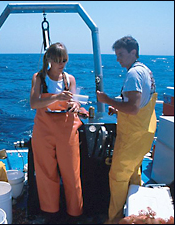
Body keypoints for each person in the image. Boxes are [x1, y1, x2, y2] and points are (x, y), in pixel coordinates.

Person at [96, 36, 157, 224]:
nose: (118, 59)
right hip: (145, 131)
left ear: (133, 52)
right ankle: (136, 214)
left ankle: (114, 219)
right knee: (133, 173)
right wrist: (118, 104)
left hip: (133, 136)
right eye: (116, 55)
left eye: (121, 54)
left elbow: (132, 108)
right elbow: (138, 102)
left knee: (118, 176)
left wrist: (107, 100)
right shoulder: (145, 70)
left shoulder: (133, 74)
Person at [30, 42, 83, 223]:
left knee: (72, 173)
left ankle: (75, 214)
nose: (62, 64)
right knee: (46, 174)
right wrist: (58, 97)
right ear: (50, 59)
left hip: (66, 131)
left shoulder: (70, 80)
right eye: (59, 60)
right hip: (43, 131)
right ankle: (50, 213)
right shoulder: (39, 78)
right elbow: (34, 103)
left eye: (65, 60)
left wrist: (75, 104)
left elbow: (75, 101)